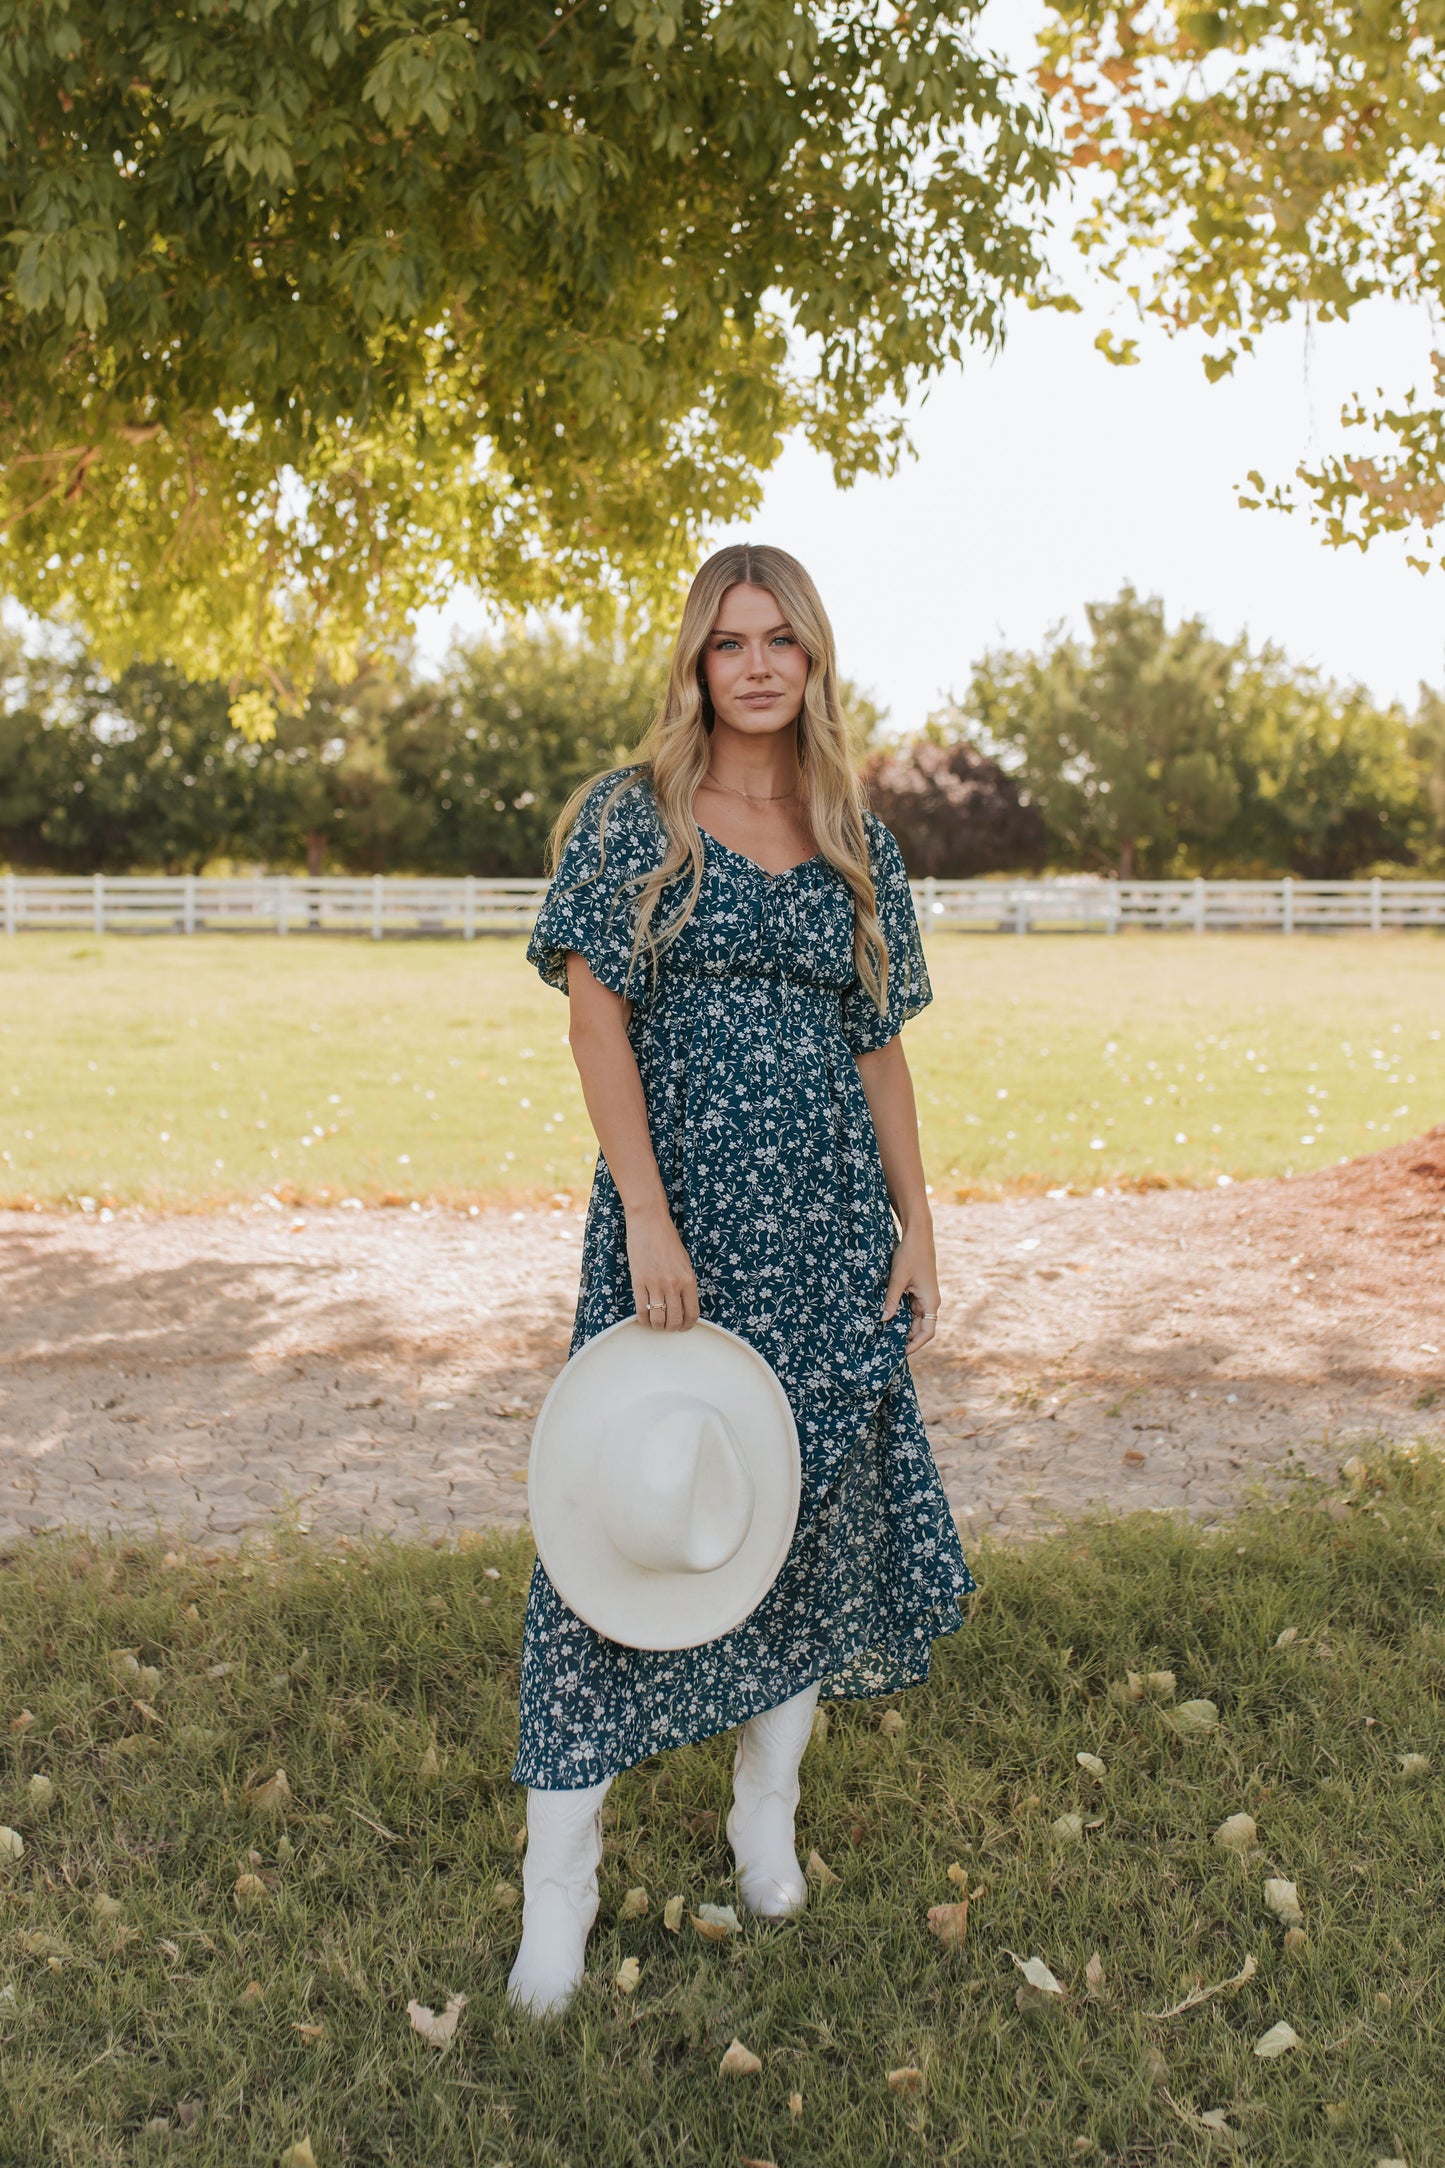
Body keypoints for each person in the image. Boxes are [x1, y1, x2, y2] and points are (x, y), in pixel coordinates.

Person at [506, 542, 976, 2017]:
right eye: (730, 641)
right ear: (697, 665)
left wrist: (917, 1217)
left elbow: (879, 1043)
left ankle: (762, 1816)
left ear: (813, 662)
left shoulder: (854, 839)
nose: (758, 664)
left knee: (799, 1513)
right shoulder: (630, 820)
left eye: (782, 640)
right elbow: (596, 1023)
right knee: (619, 1520)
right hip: (684, 1232)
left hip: (831, 1226)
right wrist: (646, 1213)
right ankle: (557, 1897)